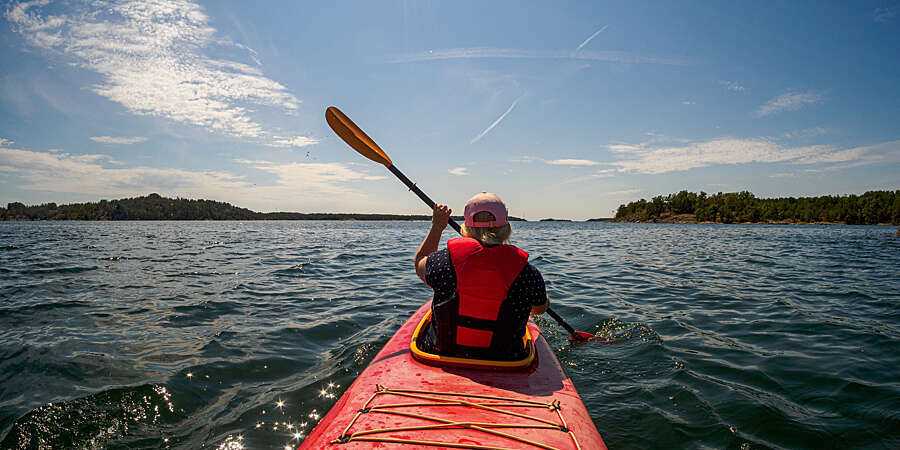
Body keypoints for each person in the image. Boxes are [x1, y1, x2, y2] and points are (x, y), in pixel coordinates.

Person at [414, 192, 549, 361]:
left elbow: (419, 262)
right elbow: (539, 309)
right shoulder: (528, 273)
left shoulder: (443, 262)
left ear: (467, 227)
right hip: (506, 360)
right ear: (506, 228)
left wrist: (437, 227)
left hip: (444, 354)